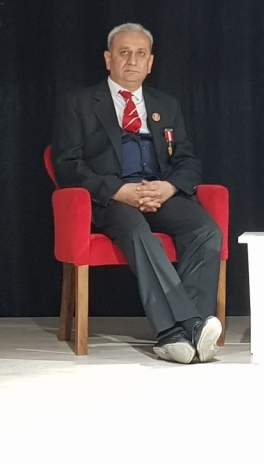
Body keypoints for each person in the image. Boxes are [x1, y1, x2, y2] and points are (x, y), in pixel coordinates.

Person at [53, 23, 223, 364]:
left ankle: (184, 336)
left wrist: (169, 187)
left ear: (150, 62)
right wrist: (119, 190)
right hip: (111, 198)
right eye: (124, 53)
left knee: (205, 229)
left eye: (140, 54)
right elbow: (67, 165)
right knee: (137, 231)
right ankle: (182, 328)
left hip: (159, 193)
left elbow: (187, 160)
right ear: (108, 59)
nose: (132, 61)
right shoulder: (79, 103)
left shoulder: (166, 104)